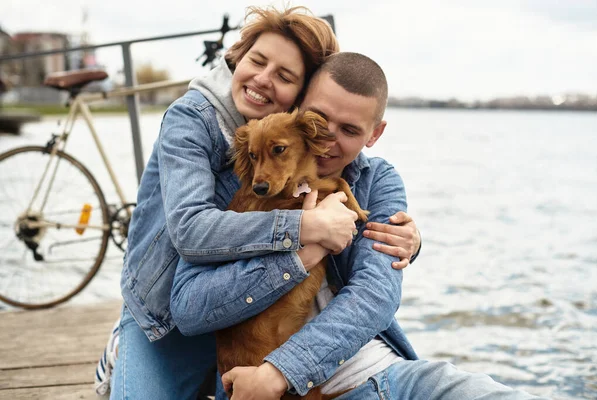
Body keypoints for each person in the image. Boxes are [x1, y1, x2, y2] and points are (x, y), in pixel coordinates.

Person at [170, 53, 544, 400]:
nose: (326, 140)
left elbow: (374, 295)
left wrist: (280, 372)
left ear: (374, 134)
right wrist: (304, 243)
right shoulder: (247, 182)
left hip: (383, 374)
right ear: (299, 109)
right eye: (318, 119)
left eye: (349, 130)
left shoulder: (378, 181)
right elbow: (189, 308)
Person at [106, 6, 421, 400]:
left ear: (299, 96)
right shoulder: (196, 122)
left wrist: (409, 238)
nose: (263, 79)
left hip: (242, 318)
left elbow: (374, 280)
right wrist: (308, 230)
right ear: (238, 57)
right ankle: (122, 348)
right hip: (163, 315)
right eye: (257, 60)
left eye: (285, 76)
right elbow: (190, 231)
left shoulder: (301, 149)